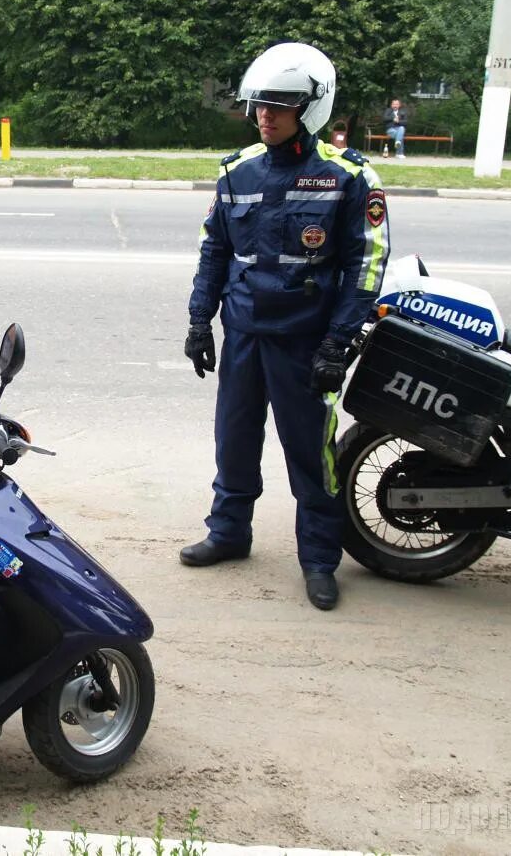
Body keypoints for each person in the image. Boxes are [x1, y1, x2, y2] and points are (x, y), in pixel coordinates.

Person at [181, 42, 391, 611]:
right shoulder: (237, 170)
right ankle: (229, 533)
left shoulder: (348, 177)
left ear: (312, 108)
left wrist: (337, 343)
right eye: (258, 105)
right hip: (244, 332)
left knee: (310, 454)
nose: (264, 116)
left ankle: (320, 559)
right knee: (235, 440)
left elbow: (364, 266)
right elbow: (214, 252)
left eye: (278, 105)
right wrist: (200, 322)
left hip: (306, 341)